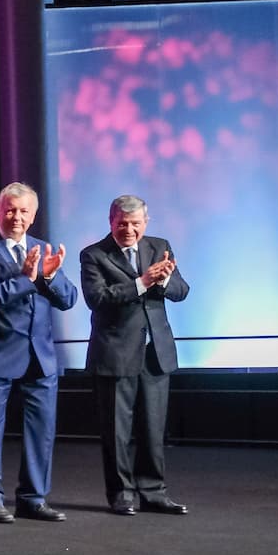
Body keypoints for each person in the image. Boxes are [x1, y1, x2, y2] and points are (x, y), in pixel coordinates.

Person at [0, 183, 77, 524]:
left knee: (41, 430)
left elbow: (68, 299)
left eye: (24, 211)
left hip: (40, 357)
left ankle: (33, 498)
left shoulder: (43, 248)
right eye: (10, 210)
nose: (16, 216)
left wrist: (51, 275)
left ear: (33, 215)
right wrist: (27, 278)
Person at [80, 195, 190, 516]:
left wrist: (166, 279)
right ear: (111, 222)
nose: (129, 229)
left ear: (146, 222)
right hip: (115, 353)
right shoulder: (94, 254)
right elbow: (97, 298)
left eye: (135, 224)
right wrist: (142, 282)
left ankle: (154, 492)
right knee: (117, 431)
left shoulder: (160, 246)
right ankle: (122, 494)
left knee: (153, 428)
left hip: (155, 352)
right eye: (122, 224)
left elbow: (182, 291)